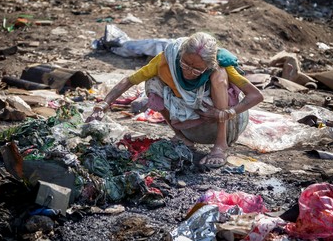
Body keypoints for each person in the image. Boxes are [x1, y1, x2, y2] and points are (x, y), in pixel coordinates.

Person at [86, 32, 263, 168]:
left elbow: (256, 95)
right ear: (180, 56)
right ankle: (181, 137)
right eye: (185, 64)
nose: (188, 71)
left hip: (224, 123)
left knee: (220, 76)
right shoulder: (168, 59)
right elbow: (129, 81)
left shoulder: (217, 65)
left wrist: (225, 113)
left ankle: (220, 145)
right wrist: (103, 105)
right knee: (153, 82)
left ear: (208, 66)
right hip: (189, 126)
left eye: (196, 69)